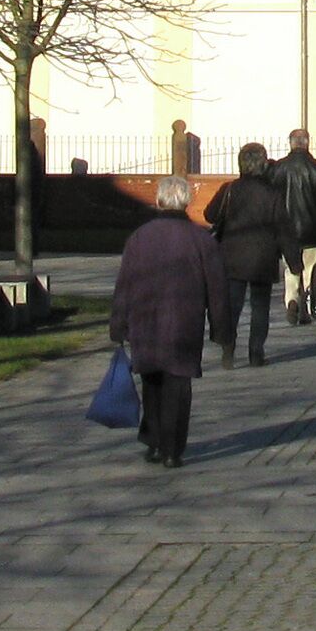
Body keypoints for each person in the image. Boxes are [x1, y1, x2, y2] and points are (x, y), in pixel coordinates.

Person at [109, 173, 226, 468]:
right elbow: (217, 287)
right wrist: (222, 328)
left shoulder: (140, 238)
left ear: (159, 200)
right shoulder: (201, 240)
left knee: (151, 381)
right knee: (179, 384)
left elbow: (125, 283)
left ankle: (154, 440)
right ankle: (173, 449)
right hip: (185, 321)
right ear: (187, 201)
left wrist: (118, 323)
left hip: (145, 321)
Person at [208, 142, 287, 367]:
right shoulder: (272, 193)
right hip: (263, 258)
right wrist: (293, 261)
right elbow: (283, 228)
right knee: (260, 308)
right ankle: (256, 352)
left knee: (232, 306)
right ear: (263, 164)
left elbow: (210, 214)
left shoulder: (229, 189)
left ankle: (228, 348)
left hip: (233, 257)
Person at [276, 127, 316, 316]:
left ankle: (292, 300)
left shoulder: (280, 167)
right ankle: (310, 304)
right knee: (310, 269)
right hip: (311, 228)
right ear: (308, 143)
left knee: (291, 269)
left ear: (291, 143)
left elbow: (273, 199)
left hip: (287, 229)